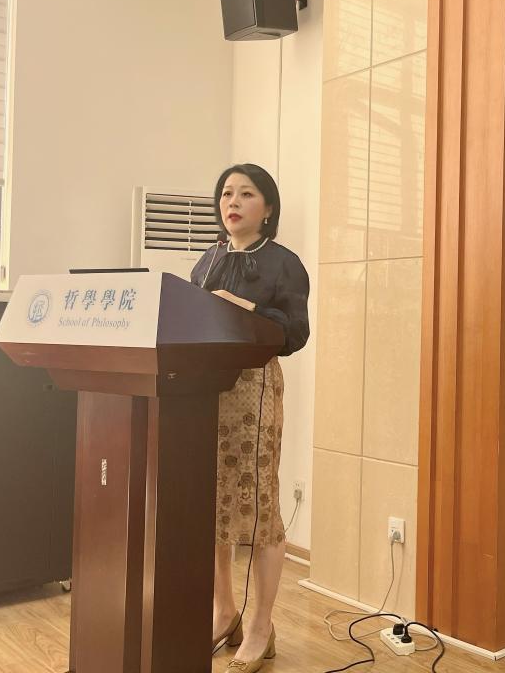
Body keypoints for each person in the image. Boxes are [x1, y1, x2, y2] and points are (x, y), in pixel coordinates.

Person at [190, 163, 310, 673]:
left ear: (268, 207)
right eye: (226, 193)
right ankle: (225, 611)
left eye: (245, 193)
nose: (232, 202)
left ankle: (262, 625)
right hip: (202, 392)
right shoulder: (208, 260)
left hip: (253, 393)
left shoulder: (284, 263)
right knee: (213, 507)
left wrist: (243, 307)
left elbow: (295, 333)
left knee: (258, 509)